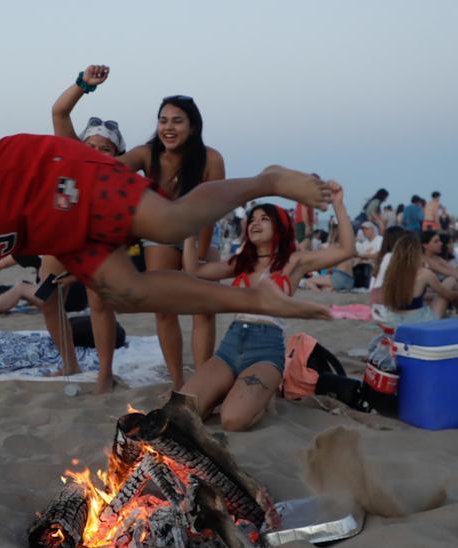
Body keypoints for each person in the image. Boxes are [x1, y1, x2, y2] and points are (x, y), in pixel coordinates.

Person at [0, 133, 334, 406]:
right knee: (126, 292)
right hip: (48, 230)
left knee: (170, 224)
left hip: (54, 177)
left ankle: (266, 180)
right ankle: (257, 300)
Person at [182, 194, 355, 431]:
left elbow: (347, 249)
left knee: (232, 421)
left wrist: (337, 204)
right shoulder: (241, 262)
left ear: (280, 226)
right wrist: (190, 230)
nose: (255, 223)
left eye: (264, 219)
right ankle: (230, 389)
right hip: (229, 347)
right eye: (252, 219)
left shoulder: (293, 262)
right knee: (182, 412)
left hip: (265, 351)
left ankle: (257, 397)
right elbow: (193, 271)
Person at [118, 94, 227, 389]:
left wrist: (201, 255)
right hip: (162, 231)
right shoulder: (147, 154)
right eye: (163, 120)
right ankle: (178, 382)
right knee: (164, 307)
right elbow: (108, 169)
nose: (169, 127)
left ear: (192, 127)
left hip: (201, 228)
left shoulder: (211, 159)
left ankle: (202, 381)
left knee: (204, 305)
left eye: (177, 121)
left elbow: (211, 213)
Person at [47, 64, 126, 393]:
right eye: (90, 146)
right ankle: (69, 361)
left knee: (98, 303)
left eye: (104, 149)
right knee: (45, 295)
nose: (95, 152)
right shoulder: (72, 157)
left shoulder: (120, 176)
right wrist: (84, 84)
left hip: (99, 240)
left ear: (116, 155)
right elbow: (59, 111)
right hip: (64, 236)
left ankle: (104, 373)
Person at [375, 233, 458, 321]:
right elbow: (449, 295)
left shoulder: (391, 272)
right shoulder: (424, 273)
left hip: (393, 318)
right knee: (451, 281)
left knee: (433, 296)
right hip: (418, 321)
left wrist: (433, 296)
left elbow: (409, 298)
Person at [354, 221, 383, 288]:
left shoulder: (379, 240)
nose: (364, 231)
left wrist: (362, 256)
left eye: (366, 229)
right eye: (363, 230)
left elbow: (378, 256)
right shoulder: (364, 243)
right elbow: (361, 257)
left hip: (375, 265)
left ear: (372, 229)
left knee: (367, 267)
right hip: (366, 265)